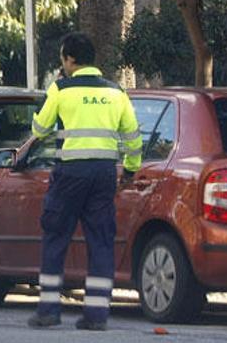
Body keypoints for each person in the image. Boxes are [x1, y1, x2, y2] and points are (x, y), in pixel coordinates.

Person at [27, 32, 142, 331]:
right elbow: (132, 137)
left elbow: (39, 129)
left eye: (63, 60)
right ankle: (96, 315)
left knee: (56, 236)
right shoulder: (117, 92)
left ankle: (49, 311)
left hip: (70, 174)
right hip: (104, 174)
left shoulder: (61, 89)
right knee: (101, 240)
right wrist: (130, 170)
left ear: (69, 59)